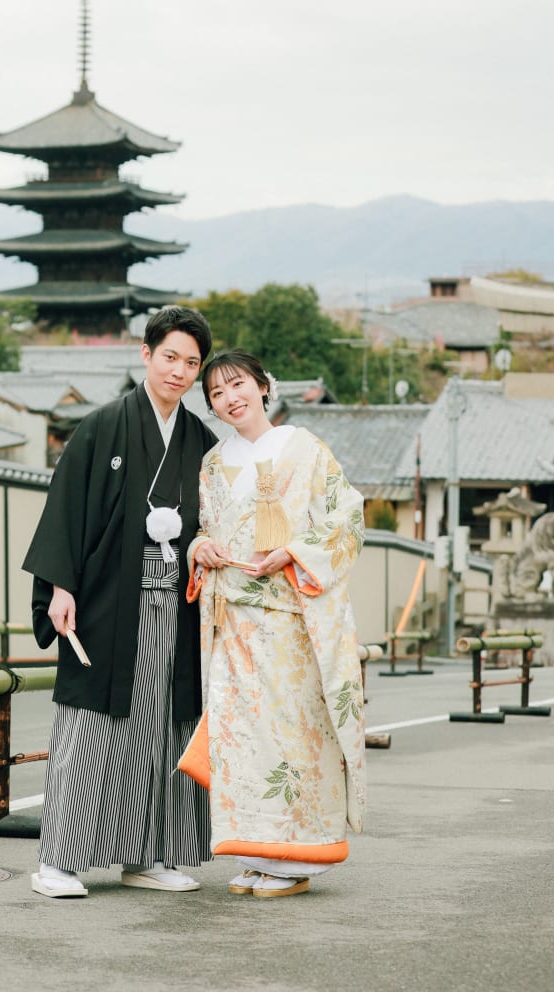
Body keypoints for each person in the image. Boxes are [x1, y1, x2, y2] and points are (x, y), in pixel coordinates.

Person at [22, 305, 217, 898]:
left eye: (191, 363)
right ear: (146, 354)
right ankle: (58, 860)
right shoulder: (102, 426)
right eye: (170, 357)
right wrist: (60, 587)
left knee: (165, 730)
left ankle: (149, 855)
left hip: (177, 609)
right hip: (109, 604)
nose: (179, 371)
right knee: (91, 730)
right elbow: (66, 509)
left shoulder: (200, 441)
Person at [180, 349, 366, 898]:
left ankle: (296, 858)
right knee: (240, 741)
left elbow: (347, 517)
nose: (229, 398)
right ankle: (258, 853)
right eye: (216, 393)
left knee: (290, 735)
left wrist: (293, 552)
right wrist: (200, 548)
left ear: (264, 386)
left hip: (289, 622)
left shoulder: (304, 448)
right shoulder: (213, 463)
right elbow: (204, 526)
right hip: (231, 622)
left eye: (238, 384)